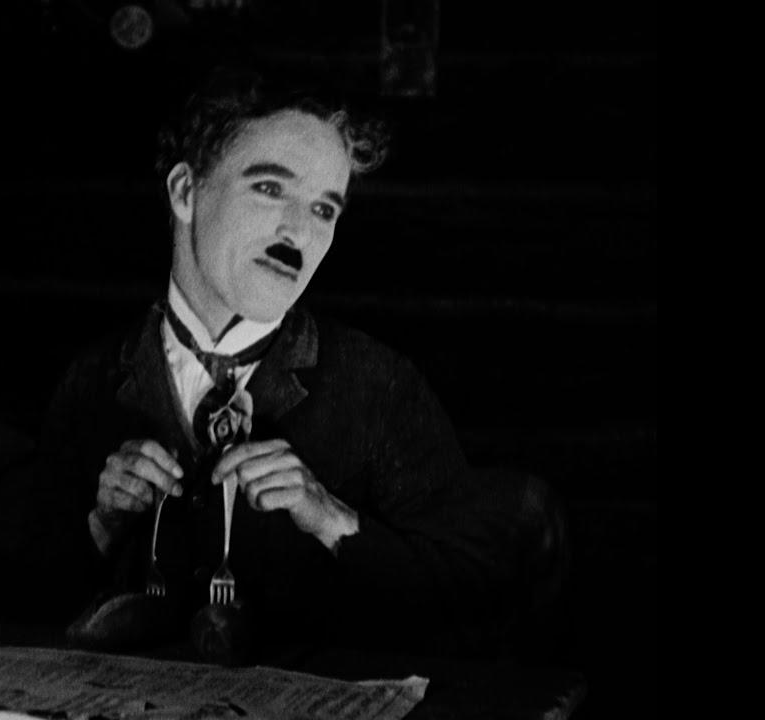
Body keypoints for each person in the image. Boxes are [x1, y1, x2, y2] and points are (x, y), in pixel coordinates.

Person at [32, 67, 513, 658]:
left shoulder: (379, 385)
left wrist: (331, 518)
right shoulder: (92, 381)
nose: (298, 232)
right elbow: (24, 606)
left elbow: (472, 601)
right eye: (268, 188)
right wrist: (103, 526)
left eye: (324, 210)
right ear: (185, 192)